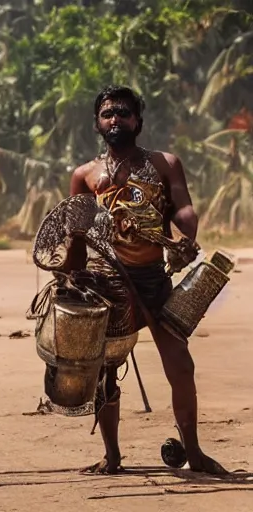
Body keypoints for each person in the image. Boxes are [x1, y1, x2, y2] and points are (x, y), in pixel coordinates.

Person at [67, 85, 227, 475]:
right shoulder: (84, 175)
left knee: (180, 365)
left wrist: (185, 237)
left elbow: (183, 207)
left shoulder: (164, 163)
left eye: (123, 113)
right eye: (107, 114)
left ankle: (193, 451)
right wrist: (69, 276)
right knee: (106, 369)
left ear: (138, 120)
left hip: (155, 281)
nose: (115, 120)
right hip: (106, 284)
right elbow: (76, 235)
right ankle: (112, 456)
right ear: (97, 123)